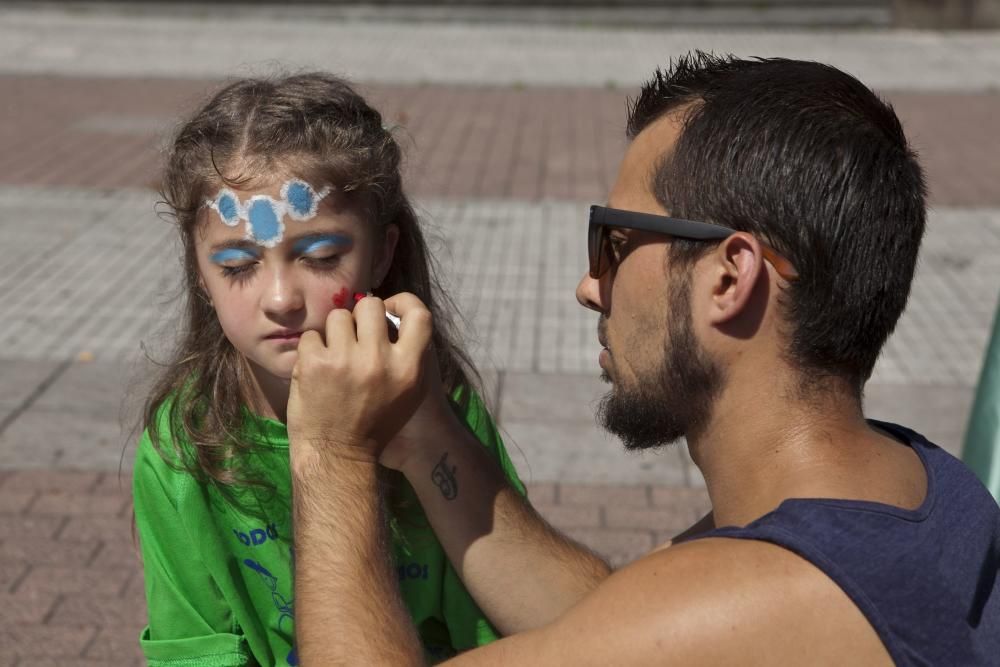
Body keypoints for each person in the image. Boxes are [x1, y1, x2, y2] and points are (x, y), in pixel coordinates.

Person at [286, 54, 1000, 665]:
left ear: (729, 276)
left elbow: (668, 627)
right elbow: (612, 622)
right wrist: (426, 436)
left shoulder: (769, 596)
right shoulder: (921, 483)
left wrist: (330, 451)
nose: (590, 284)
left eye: (616, 242)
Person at [131, 73, 564, 667]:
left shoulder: (434, 404)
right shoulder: (183, 444)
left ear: (383, 254)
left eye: (322, 257)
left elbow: (504, 628)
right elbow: (195, 650)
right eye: (236, 265)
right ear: (200, 274)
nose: (281, 297)